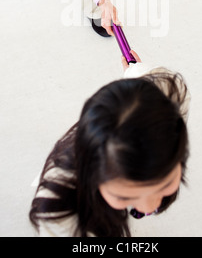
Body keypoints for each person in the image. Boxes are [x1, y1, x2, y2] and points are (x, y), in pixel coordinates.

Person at [29, 54, 190, 237]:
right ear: (91, 175)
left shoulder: (171, 95)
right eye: (124, 197)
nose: (150, 206)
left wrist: (135, 73)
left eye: (166, 183)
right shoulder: (58, 214)